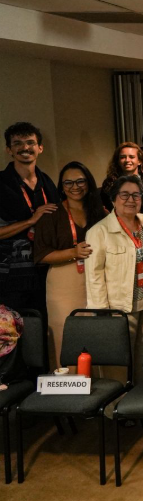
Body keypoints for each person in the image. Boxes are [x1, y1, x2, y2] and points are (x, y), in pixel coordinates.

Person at [34, 162, 105, 371]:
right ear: (61, 186)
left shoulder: (100, 212)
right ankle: (68, 388)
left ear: (89, 183)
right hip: (63, 282)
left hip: (95, 280)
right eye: (68, 182)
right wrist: (73, 253)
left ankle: (102, 390)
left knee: (96, 333)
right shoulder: (52, 214)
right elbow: (41, 255)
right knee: (65, 333)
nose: (75, 186)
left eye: (80, 181)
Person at [85, 175, 143, 384]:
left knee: (142, 362)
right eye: (124, 195)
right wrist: (103, 315)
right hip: (118, 310)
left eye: (136, 195)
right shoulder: (99, 232)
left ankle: (137, 407)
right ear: (114, 199)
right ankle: (114, 409)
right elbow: (94, 277)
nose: (130, 200)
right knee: (117, 367)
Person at [0, 122, 60, 315]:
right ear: (8, 149)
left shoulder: (47, 182)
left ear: (40, 148)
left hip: (45, 270)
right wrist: (30, 221)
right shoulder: (1, 184)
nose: (24, 148)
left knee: (43, 329)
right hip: (10, 277)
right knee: (11, 333)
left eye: (30, 142)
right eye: (17, 143)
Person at [100, 142, 143, 213]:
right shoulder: (109, 183)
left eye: (131, 157)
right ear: (118, 161)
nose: (127, 160)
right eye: (123, 157)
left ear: (139, 161)